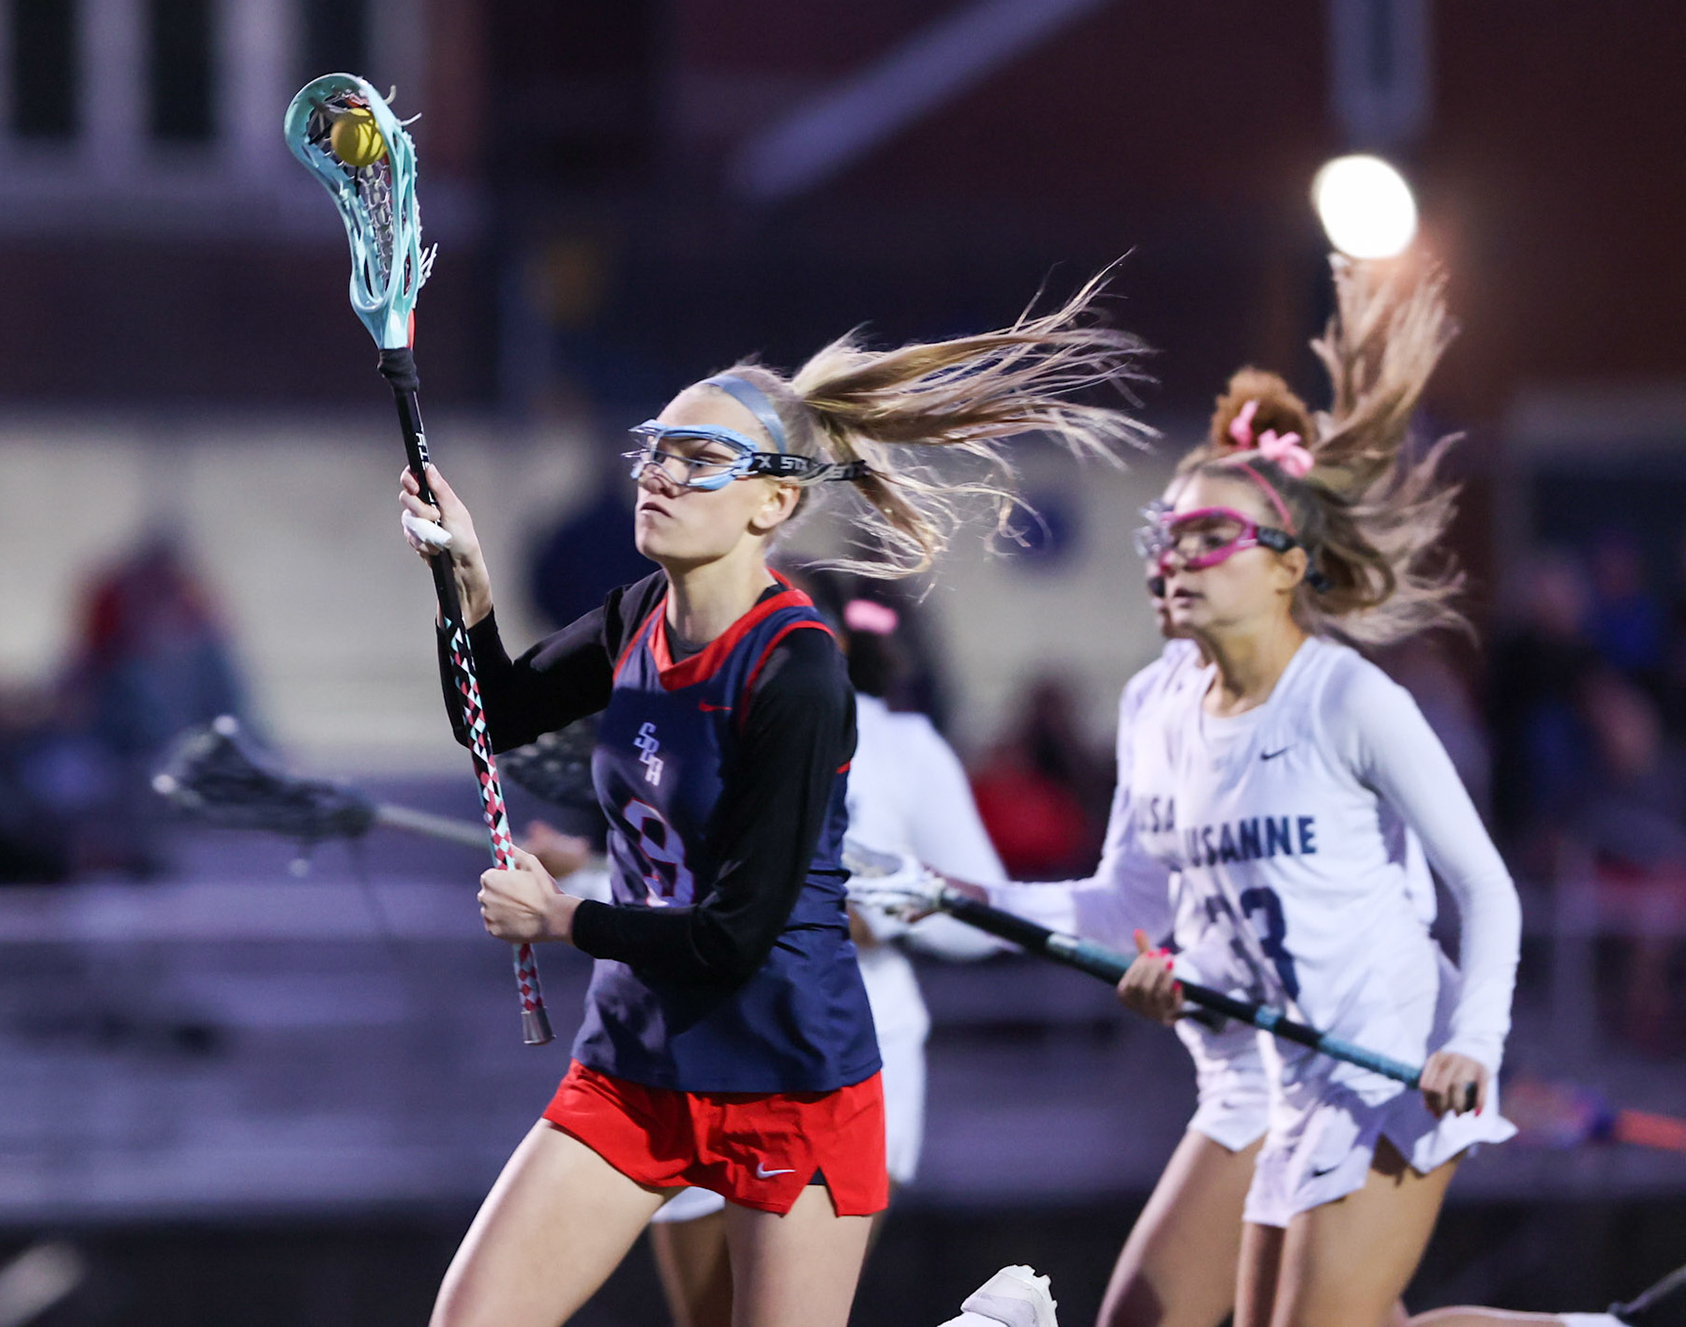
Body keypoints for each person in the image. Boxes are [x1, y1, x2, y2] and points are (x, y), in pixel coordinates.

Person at [397, 288, 1144, 1327]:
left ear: (772, 506)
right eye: (657, 447)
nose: (659, 471)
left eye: (699, 458)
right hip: (636, 1069)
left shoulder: (796, 670)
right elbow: (496, 714)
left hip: (789, 1080)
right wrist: (464, 586)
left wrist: (563, 914)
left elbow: (737, 935)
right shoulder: (638, 616)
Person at [859, 260, 1522, 1327]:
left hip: (1387, 1059)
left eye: (1208, 538)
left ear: (1286, 566)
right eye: (1163, 536)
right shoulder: (1153, 704)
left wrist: (1474, 1044)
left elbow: (1488, 889)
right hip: (1261, 1073)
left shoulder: (1349, 700)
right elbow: (1123, 909)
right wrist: (945, 892)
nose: (1173, 557)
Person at [648, 577, 1011, 1327]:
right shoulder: (692, 730)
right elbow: (673, 891)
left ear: (832, 636)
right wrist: (568, 879)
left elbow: (983, 915)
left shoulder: (901, 744)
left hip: (844, 1055)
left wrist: (884, 915)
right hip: (702, 1054)